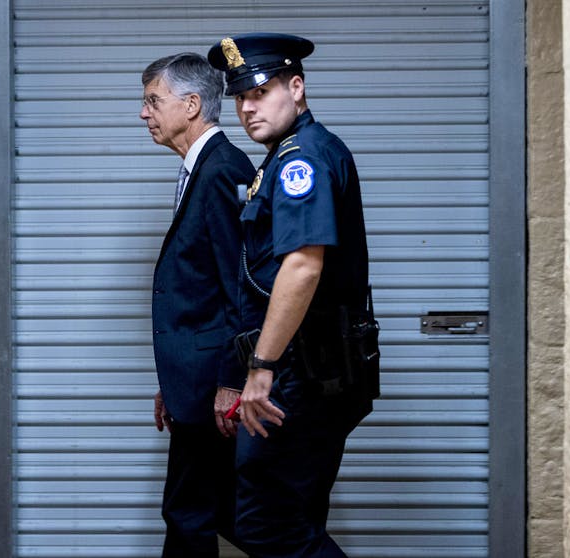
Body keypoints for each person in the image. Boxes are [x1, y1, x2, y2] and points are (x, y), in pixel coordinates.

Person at [208, 33, 380, 557]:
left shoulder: (302, 159)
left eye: (261, 92)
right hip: (307, 368)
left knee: (269, 526)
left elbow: (303, 266)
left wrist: (261, 367)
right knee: (294, 519)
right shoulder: (287, 155)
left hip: (302, 372)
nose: (248, 108)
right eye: (240, 97)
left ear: (297, 88)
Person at [140, 52, 255, 557]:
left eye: (153, 101)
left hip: (215, 385)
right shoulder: (202, 168)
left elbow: (241, 287)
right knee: (218, 512)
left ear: (191, 106)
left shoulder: (222, 170)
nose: (144, 113)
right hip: (197, 381)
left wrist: (231, 381)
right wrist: (176, 381)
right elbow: (202, 288)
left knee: (192, 513)